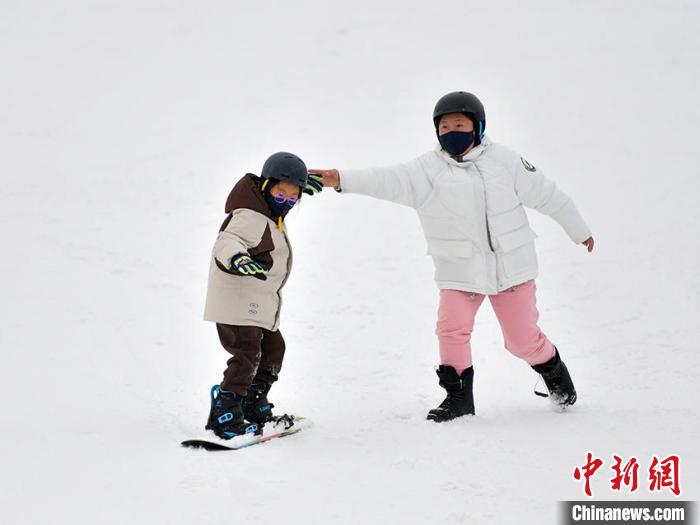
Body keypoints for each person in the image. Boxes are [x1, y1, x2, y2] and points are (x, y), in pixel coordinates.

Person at [310, 91, 594, 422]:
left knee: (522, 341)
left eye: (460, 124)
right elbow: (384, 180)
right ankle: (458, 399)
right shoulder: (425, 171)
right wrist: (339, 178)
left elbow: (548, 195)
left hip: (511, 269)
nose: (452, 131)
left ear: (478, 127)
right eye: (444, 127)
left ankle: (555, 375)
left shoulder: (505, 162)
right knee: (451, 329)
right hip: (460, 271)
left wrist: (579, 230)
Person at [203, 152, 322, 438]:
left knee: (272, 351)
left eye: (294, 197)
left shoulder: (270, 217)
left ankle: (253, 404)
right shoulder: (249, 215)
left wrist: (301, 181)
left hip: (257, 304)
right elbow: (228, 242)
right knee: (247, 355)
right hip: (238, 302)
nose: (286, 202)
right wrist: (237, 259)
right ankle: (226, 414)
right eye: (281, 194)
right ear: (266, 185)